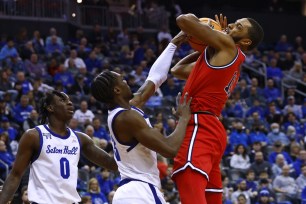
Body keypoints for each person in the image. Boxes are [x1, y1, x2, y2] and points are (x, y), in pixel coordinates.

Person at [170, 13, 264, 203]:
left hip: (199, 124)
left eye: (238, 27)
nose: (230, 25)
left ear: (245, 41)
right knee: (211, 196)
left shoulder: (229, 46)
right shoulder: (224, 56)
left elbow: (184, 20)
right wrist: (206, 46)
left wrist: (212, 32)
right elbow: (177, 70)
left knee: (188, 177)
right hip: (212, 128)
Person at [90, 32, 191, 203]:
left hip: (132, 190)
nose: (126, 81)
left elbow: (155, 79)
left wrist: (173, 44)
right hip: (140, 191)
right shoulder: (127, 117)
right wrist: (184, 118)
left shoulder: (125, 109)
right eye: (122, 80)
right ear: (116, 90)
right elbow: (169, 149)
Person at [0, 90, 117, 204]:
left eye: (70, 100)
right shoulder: (34, 136)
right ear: (50, 108)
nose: (70, 103)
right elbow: (15, 175)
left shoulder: (81, 139)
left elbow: (111, 163)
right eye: (62, 100)